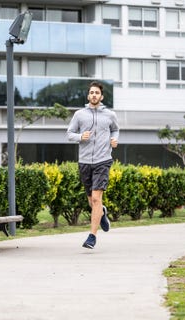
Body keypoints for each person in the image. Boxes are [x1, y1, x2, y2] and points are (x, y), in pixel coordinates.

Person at [66, 81, 120, 249]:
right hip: (84, 162)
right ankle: (102, 213)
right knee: (92, 201)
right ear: (88, 96)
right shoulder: (79, 115)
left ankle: (92, 237)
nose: (94, 95)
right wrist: (81, 136)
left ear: (101, 97)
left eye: (97, 93)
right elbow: (69, 134)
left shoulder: (110, 115)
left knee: (96, 198)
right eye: (92, 93)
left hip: (103, 160)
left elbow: (115, 129)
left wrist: (114, 139)